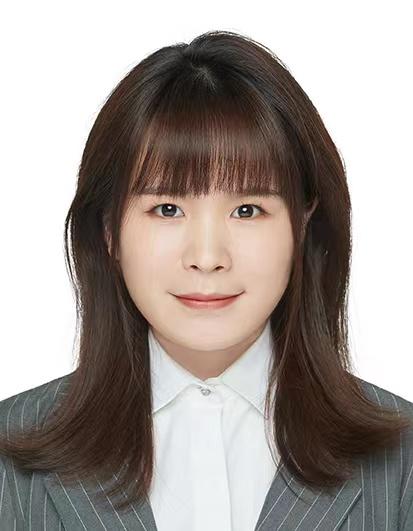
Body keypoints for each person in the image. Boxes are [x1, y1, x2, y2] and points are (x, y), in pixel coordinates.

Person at [1, 29, 412, 531]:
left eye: (247, 209)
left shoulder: (402, 459)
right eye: (167, 208)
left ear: (302, 224)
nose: (207, 257)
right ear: (109, 229)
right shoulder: (9, 453)